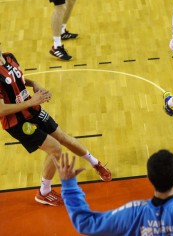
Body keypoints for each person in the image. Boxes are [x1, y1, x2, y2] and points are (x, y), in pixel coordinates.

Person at [0, 44, 111, 206]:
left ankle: (96, 163)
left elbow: (19, 80)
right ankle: (44, 192)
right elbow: (1, 110)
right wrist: (31, 101)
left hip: (33, 109)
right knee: (55, 148)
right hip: (18, 123)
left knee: (63, 138)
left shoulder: (9, 56)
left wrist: (34, 83)